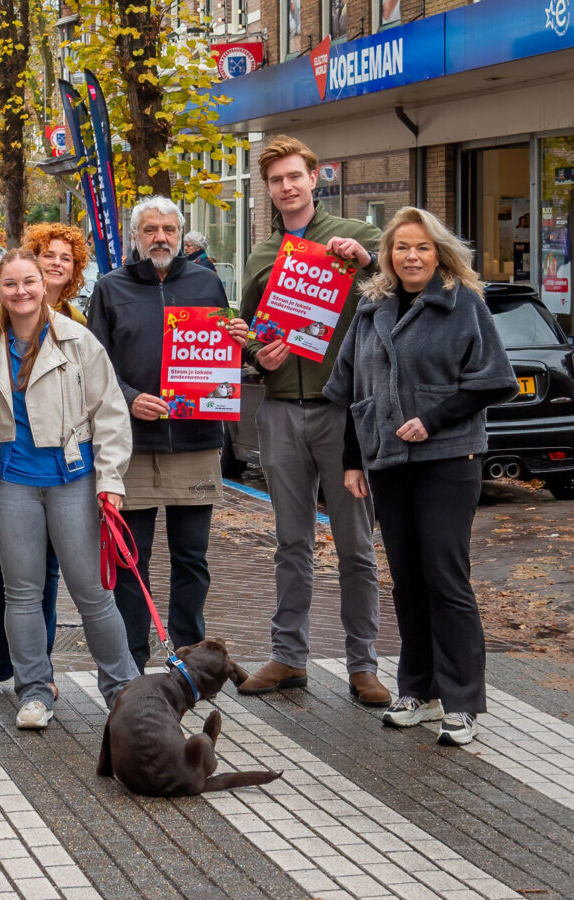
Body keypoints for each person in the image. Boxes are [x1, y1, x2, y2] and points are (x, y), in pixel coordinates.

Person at [325, 207, 517, 747]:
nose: (412, 257)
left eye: (423, 247)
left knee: (445, 578)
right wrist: (351, 459)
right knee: (407, 578)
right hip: (387, 461)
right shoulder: (372, 308)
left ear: (439, 253)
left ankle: (461, 701)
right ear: (387, 255)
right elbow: (351, 391)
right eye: (402, 248)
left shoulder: (464, 306)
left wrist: (431, 421)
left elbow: (492, 382)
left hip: (448, 460)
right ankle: (419, 689)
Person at [236, 136, 389, 705]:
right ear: (268, 189)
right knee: (290, 543)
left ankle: (363, 664)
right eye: (277, 180)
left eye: (295, 176)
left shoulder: (358, 239)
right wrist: (257, 355)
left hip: (344, 415)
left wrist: (369, 261)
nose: (287, 187)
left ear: (315, 177)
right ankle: (287, 657)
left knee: (355, 544)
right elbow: (247, 330)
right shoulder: (260, 255)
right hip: (279, 410)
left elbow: (396, 291)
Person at [0, 250, 141, 729]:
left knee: (93, 593)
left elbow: (110, 414)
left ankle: (123, 689)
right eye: (10, 284)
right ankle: (34, 691)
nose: (21, 291)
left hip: (73, 481)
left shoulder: (78, 341)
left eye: (29, 281)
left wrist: (110, 481)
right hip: (10, 485)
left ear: (43, 284)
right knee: (21, 593)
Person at [88, 196, 250, 671]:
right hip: (133, 446)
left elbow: (224, 362)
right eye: (150, 229)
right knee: (130, 564)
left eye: (169, 229)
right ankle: (131, 663)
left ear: (181, 234)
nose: (160, 237)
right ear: (135, 238)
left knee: (192, 561)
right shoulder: (110, 288)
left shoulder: (206, 283)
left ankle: (189, 660)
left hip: (196, 443)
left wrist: (238, 343)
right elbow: (95, 367)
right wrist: (131, 396)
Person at [0, 222, 93, 697]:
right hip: (8, 474)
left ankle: (37, 672)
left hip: (60, 478)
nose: (56, 263)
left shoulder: (77, 324)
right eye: (48, 256)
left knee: (47, 575)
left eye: (66, 257)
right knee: (0, 574)